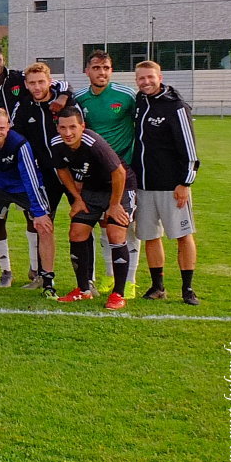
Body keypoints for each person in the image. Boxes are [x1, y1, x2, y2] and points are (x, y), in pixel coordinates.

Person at [50, 109, 136, 310]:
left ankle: (118, 293)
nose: (68, 132)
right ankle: (83, 290)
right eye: (63, 127)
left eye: (73, 127)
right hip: (92, 190)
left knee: (115, 233)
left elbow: (119, 172)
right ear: (58, 128)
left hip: (120, 188)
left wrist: (114, 206)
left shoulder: (94, 143)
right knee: (77, 232)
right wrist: (77, 198)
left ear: (82, 127)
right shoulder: (56, 144)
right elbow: (61, 170)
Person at [131, 61, 201, 305]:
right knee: (150, 237)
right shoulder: (140, 102)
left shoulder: (176, 107)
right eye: (141, 78)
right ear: (136, 80)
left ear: (160, 76)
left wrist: (185, 183)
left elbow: (190, 152)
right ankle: (157, 286)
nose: (146, 82)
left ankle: (188, 288)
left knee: (183, 235)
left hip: (173, 187)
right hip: (144, 186)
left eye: (150, 77)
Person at [75, 50, 143, 298]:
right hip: (96, 174)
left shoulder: (126, 96)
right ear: (87, 71)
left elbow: (142, 123)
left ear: (111, 71)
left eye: (105, 68)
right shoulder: (80, 98)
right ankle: (108, 276)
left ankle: (131, 280)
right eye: (96, 68)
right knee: (104, 225)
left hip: (125, 172)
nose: (101, 72)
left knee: (124, 224)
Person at [0, 108, 56, 296]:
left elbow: (30, 177)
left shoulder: (19, 144)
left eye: (2, 127)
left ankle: (48, 282)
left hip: (23, 187)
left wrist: (39, 211)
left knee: (45, 227)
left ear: (8, 126)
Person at [9, 62, 73, 289]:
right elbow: (14, 137)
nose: (37, 87)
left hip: (72, 172)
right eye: (32, 83)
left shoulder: (66, 102)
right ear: (26, 84)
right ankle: (44, 277)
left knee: (82, 223)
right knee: (44, 225)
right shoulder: (23, 105)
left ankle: (88, 279)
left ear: (49, 81)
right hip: (43, 175)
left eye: (41, 82)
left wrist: (64, 95)